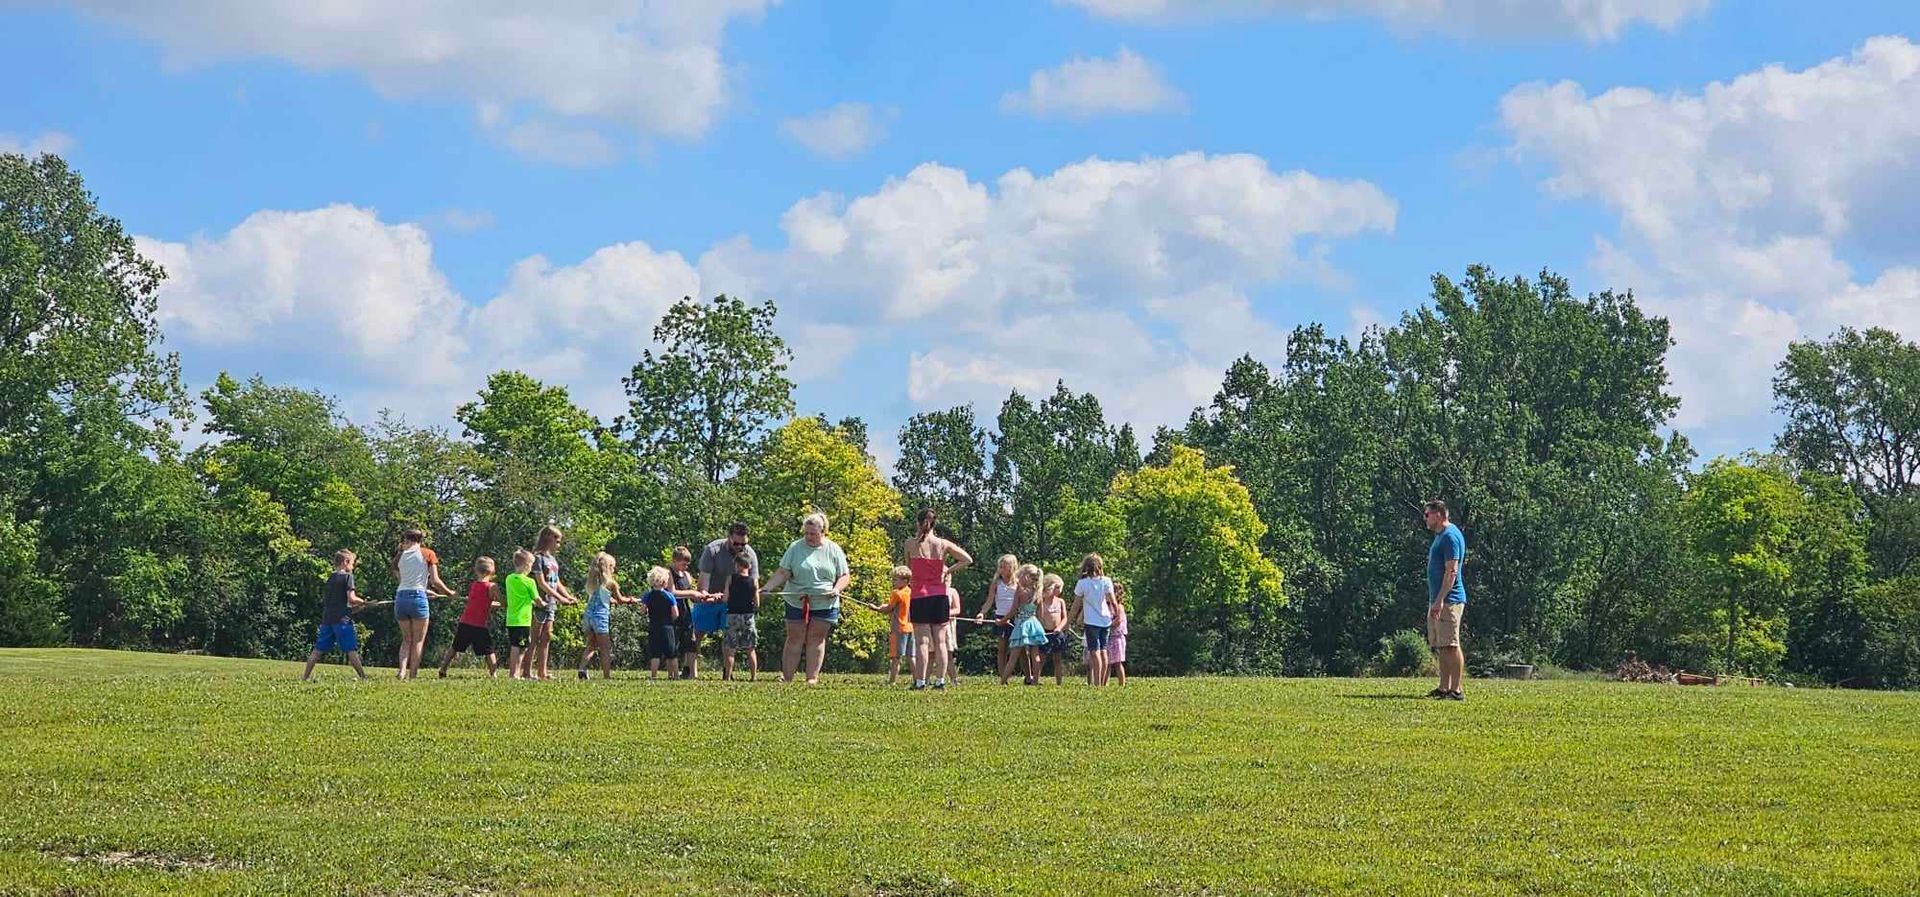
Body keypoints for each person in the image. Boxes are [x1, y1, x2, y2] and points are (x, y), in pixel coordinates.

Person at [759, 512, 851, 685]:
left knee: (816, 638)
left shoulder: (834, 549)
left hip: (825, 601)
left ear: (823, 532)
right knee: (795, 637)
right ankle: (787, 678)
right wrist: (768, 587)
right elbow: (783, 572)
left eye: (813, 534)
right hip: (796, 599)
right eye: (806, 533)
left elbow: (845, 575)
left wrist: (836, 589)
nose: (809, 537)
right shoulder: (795, 547)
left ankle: (812, 678)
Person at [902, 507, 973, 691]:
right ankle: (940, 681)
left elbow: (908, 568)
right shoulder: (942, 544)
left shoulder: (910, 544)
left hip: (919, 595)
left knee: (923, 642)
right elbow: (967, 559)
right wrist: (948, 570)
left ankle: (920, 681)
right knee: (940, 641)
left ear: (918, 523)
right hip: (940, 595)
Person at [392, 529, 455, 680]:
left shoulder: (399, 556)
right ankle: (413, 675)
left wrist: (425, 590)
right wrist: (449, 593)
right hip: (418, 598)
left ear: (407, 539)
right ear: (421, 540)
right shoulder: (428, 554)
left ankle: (401, 671)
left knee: (406, 639)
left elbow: (404, 581)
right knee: (418, 640)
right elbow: (435, 580)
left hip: (401, 597)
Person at [1424, 500, 1469, 701]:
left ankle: (1456, 689)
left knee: (1451, 644)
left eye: (1428, 514)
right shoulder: (1440, 536)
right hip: (1439, 599)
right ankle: (1443, 688)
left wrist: (1440, 600)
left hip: (1450, 599)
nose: (1425, 518)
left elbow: (1451, 572)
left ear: (1439, 515)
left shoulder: (1450, 536)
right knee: (1442, 645)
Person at [302, 549, 368, 680]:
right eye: (352, 563)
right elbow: (352, 599)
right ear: (346, 562)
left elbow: (339, 604)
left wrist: (359, 607)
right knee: (351, 649)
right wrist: (364, 602)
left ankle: (305, 677)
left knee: (318, 650)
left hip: (327, 619)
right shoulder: (348, 577)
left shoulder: (331, 578)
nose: (353, 567)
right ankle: (363, 677)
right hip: (343, 621)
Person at [438, 556, 501, 678]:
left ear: (476, 570)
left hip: (465, 622)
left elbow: (479, 602)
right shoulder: (492, 586)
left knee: (455, 647)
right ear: (492, 571)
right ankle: (493, 674)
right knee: (489, 651)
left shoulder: (473, 585)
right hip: (479, 625)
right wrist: (504, 604)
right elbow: (501, 601)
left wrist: (490, 604)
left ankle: (443, 668)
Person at [577, 551, 636, 680]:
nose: (614, 570)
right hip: (600, 617)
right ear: (608, 568)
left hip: (588, 616)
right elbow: (620, 599)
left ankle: (582, 668)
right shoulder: (611, 583)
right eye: (613, 567)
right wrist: (631, 600)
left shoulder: (593, 582)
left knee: (591, 644)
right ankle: (606, 676)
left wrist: (612, 601)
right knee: (605, 649)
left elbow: (602, 598)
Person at [853, 566, 914, 685]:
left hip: (898, 628)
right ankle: (918, 680)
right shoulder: (910, 592)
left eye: (896, 580)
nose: (893, 582)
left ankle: (892, 682)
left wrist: (875, 608)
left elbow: (888, 609)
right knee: (911, 656)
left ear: (905, 581)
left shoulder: (896, 593)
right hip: (910, 627)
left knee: (895, 657)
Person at [670, 545, 719, 679]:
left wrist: (705, 597)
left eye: (687, 564)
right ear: (674, 561)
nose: (686, 567)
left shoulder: (686, 575)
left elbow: (693, 594)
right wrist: (692, 593)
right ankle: (672, 673)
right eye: (683, 564)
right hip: (673, 611)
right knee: (673, 643)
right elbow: (672, 592)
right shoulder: (669, 574)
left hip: (686, 611)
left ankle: (692, 673)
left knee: (691, 642)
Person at [1072, 553, 1118, 687]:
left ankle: (1097, 683)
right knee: (1104, 650)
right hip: (1105, 620)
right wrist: (1115, 613)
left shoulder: (1082, 583)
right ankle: (1103, 683)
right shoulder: (1106, 581)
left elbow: (1075, 606)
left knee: (1094, 651)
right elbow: (1113, 601)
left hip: (1091, 621)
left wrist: (1068, 622)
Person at [976, 555, 1020, 684]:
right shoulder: (996, 583)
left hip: (1015, 618)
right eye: (1000, 567)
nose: (1001, 569)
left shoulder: (1018, 583)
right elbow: (989, 601)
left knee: (1019, 650)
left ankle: (1028, 676)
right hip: (1000, 617)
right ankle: (1003, 676)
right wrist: (982, 613)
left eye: (1004, 566)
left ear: (1012, 568)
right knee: (1002, 649)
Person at [720, 552, 761, 681]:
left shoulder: (730, 579)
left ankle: (727, 677)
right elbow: (757, 603)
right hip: (748, 616)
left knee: (730, 649)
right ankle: (753, 677)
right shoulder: (753, 581)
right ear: (749, 566)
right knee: (750, 649)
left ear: (736, 565)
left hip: (732, 615)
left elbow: (725, 598)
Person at [1005, 564, 1048, 686]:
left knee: (1014, 655)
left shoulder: (1021, 591)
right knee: (1035, 655)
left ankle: (1004, 680)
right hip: (1034, 624)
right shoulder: (1038, 592)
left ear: (1026, 577)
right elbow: (1041, 613)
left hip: (1022, 624)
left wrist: (1002, 620)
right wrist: (1042, 627)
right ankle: (1035, 680)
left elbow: (1013, 610)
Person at [502, 550, 540, 680]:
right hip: (523, 620)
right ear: (526, 565)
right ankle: (514, 673)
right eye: (531, 565)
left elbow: (520, 596)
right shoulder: (529, 582)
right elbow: (537, 599)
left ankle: (516, 672)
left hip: (511, 619)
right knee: (520, 647)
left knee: (516, 645)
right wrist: (544, 604)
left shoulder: (509, 578)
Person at [642, 566, 681, 679]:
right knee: (671, 653)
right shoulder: (669, 596)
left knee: (655, 654)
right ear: (664, 581)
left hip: (653, 626)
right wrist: (672, 620)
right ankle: (676, 675)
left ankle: (653, 676)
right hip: (667, 626)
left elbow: (643, 611)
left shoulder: (648, 596)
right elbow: (675, 613)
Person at [1039, 573, 1070, 685]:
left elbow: (1065, 617)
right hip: (1045, 632)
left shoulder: (1060, 602)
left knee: (1057, 659)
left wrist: (1060, 627)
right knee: (1041, 658)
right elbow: (1039, 616)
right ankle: (1036, 679)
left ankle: (1059, 682)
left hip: (1057, 633)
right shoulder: (1041, 601)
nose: (1059, 590)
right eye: (1056, 587)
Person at [1109, 582, 1129, 686]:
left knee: (1118, 662)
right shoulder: (1108, 607)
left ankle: (1122, 683)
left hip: (1117, 637)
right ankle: (1104, 683)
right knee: (1106, 663)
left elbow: (1118, 620)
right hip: (1109, 637)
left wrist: (1108, 626)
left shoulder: (1119, 607)